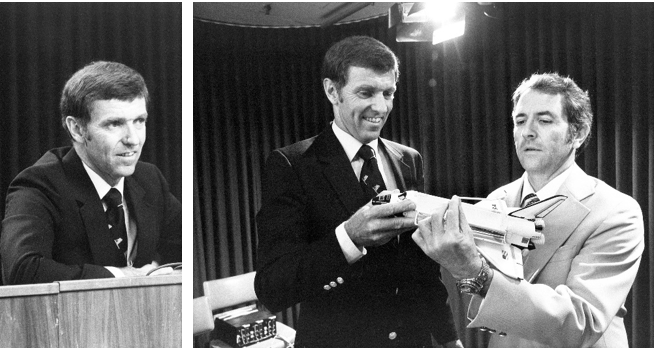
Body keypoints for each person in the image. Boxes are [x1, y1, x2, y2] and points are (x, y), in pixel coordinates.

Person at [253, 36, 459, 347]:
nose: (380, 107)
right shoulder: (293, 165)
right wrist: (349, 237)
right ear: (331, 91)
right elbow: (272, 287)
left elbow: (423, 268)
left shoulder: (409, 160)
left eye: (388, 93)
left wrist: (448, 337)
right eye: (366, 93)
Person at [413, 73, 644, 347]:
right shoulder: (497, 200)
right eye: (520, 121)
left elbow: (580, 323)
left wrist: (476, 272)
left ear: (578, 133)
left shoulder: (616, 212)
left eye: (544, 121)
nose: (527, 132)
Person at [0, 61, 180, 285]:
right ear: (77, 129)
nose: (133, 139)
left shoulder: (149, 178)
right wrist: (123, 276)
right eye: (114, 124)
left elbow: (182, 248)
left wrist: (160, 269)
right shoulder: (39, 185)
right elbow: (23, 270)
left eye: (139, 121)